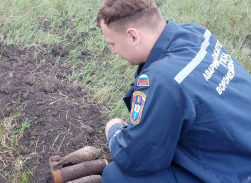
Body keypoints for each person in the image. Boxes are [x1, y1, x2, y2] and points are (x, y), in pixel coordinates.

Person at [96, 0, 251, 182]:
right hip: (239, 143)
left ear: (133, 36)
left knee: (117, 176)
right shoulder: (196, 33)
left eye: (112, 43)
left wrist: (114, 130)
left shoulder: (164, 79)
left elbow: (137, 157)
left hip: (238, 173)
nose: (113, 51)